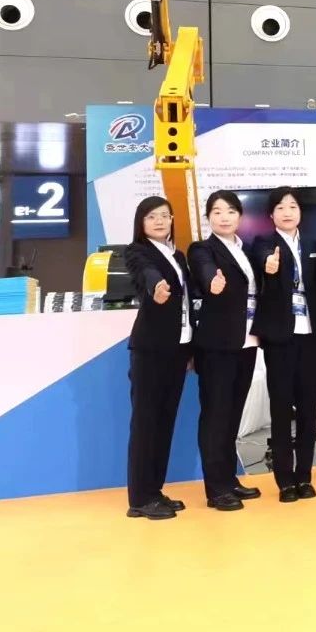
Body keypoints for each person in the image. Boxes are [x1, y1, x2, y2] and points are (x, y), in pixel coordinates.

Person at [248, 186, 316, 503]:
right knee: (281, 408)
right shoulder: (263, 243)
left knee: (309, 407)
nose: (287, 212)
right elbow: (262, 261)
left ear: (300, 212)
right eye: (280, 207)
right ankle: (284, 480)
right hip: (280, 337)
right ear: (271, 215)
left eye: (292, 206)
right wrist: (269, 265)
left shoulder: (315, 245)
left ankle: (304, 476)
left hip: (312, 335)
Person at [188, 191, 263, 511]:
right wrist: (212, 282)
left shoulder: (246, 250)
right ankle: (216, 489)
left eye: (230, 211)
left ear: (239, 216)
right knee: (215, 416)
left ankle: (229, 479)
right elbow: (205, 269)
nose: (224, 217)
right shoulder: (202, 249)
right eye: (217, 211)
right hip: (217, 345)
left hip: (246, 342)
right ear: (208, 217)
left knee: (232, 416)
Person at [122, 196, 193, 520]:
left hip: (177, 349)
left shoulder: (177, 255)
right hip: (150, 350)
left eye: (165, 215)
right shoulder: (137, 251)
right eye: (152, 217)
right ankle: (139, 498)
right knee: (146, 423)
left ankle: (154, 490)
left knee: (164, 423)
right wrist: (157, 287)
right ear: (141, 222)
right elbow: (146, 272)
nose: (160, 221)